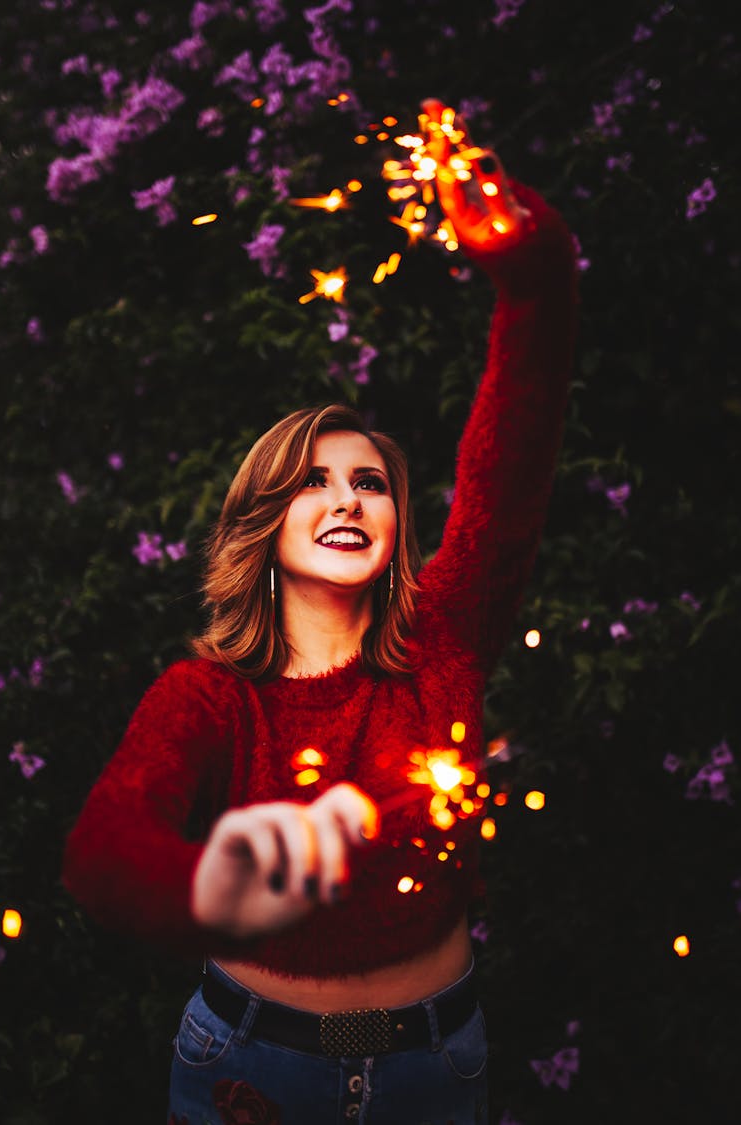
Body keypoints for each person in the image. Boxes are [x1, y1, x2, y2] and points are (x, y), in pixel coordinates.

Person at [62, 99, 577, 1125]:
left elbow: (511, 467)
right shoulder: (208, 698)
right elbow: (102, 847)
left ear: (398, 525)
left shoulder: (442, 644)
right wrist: (215, 890)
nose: (347, 498)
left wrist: (534, 277)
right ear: (263, 525)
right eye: (313, 482)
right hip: (254, 1071)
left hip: (438, 1069)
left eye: (371, 483)